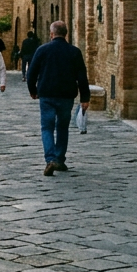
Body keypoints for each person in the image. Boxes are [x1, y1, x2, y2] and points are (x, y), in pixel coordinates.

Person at [26, 21, 91, 176]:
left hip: (47, 94)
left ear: (51, 34)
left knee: (47, 127)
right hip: (66, 96)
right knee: (62, 127)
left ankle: (50, 159)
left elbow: (31, 73)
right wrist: (85, 97)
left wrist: (33, 90)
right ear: (66, 34)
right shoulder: (74, 52)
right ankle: (59, 159)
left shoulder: (42, 50)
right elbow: (82, 76)